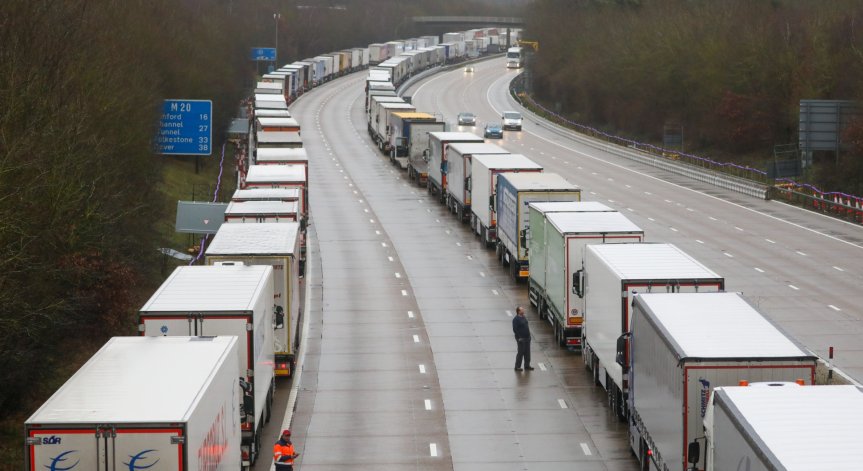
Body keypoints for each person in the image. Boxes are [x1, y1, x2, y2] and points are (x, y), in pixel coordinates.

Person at [512, 306, 534, 371]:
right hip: (521, 339)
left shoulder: (523, 317)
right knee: (520, 353)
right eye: (522, 310)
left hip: (527, 338)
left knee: (527, 353)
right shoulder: (516, 319)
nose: (523, 310)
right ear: (518, 311)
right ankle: (517, 366)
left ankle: (527, 365)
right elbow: (515, 329)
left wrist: (529, 336)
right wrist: (519, 338)